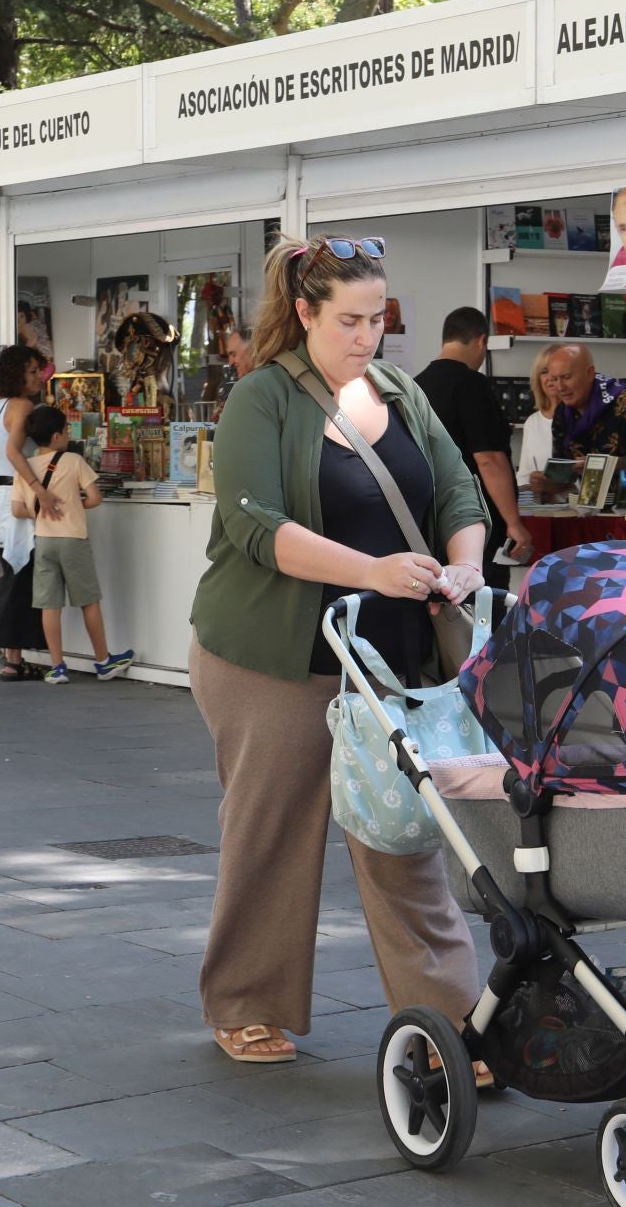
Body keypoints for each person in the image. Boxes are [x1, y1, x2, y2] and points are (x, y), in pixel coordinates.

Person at [189, 233, 485, 1067]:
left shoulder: (401, 392)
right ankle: (245, 1002)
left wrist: (462, 566)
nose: (367, 336)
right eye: (349, 319)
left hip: (386, 664)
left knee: (405, 842)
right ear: (305, 312)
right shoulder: (262, 398)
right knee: (271, 831)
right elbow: (254, 526)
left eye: (378, 317)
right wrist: (376, 573)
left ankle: (451, 1025)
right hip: (273, 659)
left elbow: (459, 489)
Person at [15, 405, 133, 684]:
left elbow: (17, 509)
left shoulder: (26, 467)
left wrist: (41, 510)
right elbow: (95, 497)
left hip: (44, 540)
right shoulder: (73, 460)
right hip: (73, 540)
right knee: (88, 601)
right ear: (56, 436)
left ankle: (57, 666)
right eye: (67, 430)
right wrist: (74, 505)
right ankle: (103, 661)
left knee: (49, 605)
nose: (68, 435)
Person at [416, 306, 531, 589]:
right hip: (476, 521)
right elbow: (489, 459)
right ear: (481, 341)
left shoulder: (415, 386)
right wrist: (513, 523)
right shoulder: (471, 384)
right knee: (484, 609)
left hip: (431, 519)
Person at [0, 344, 49, 680]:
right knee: (18, 577)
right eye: (32, 372)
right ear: (18, 374)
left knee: (7, 577)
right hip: (16, 493)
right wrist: (39, 487)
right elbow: (14, 451)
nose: (38, 378)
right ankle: (6, 657)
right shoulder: (22, 405)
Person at [530, 342, 626, 500]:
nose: (560, 387)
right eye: (554, 379)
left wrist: (607, 464)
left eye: (566, 377)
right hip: (595, 504)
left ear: (590, 373)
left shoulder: (625, 401)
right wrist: (546, 483)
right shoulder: (562, 413)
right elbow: (565, 477)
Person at [514, 346, 557, 487]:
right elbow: (523, 476)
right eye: (544, 371)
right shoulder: (532, 422)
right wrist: (532, 484)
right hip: (540, 507)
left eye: (556, 371)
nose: (550, 377)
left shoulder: (584, 418)